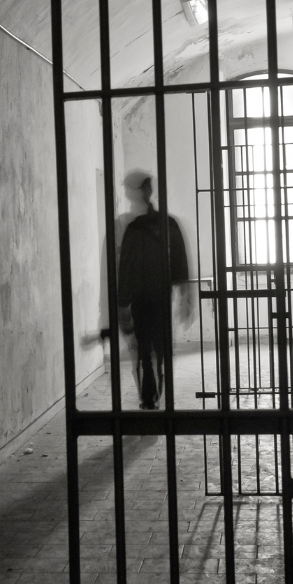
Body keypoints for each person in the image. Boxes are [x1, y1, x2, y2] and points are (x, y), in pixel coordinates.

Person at [114, 170, 193, 410]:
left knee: (145, 350)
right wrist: (184, 297)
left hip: (142, 298)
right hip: (159, 297)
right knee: (159, 350)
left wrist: (123, 302)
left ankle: (149, 399)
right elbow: (179, 264)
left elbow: (126, 267)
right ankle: (154, 396)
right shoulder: (167, 224)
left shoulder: (133, 228)